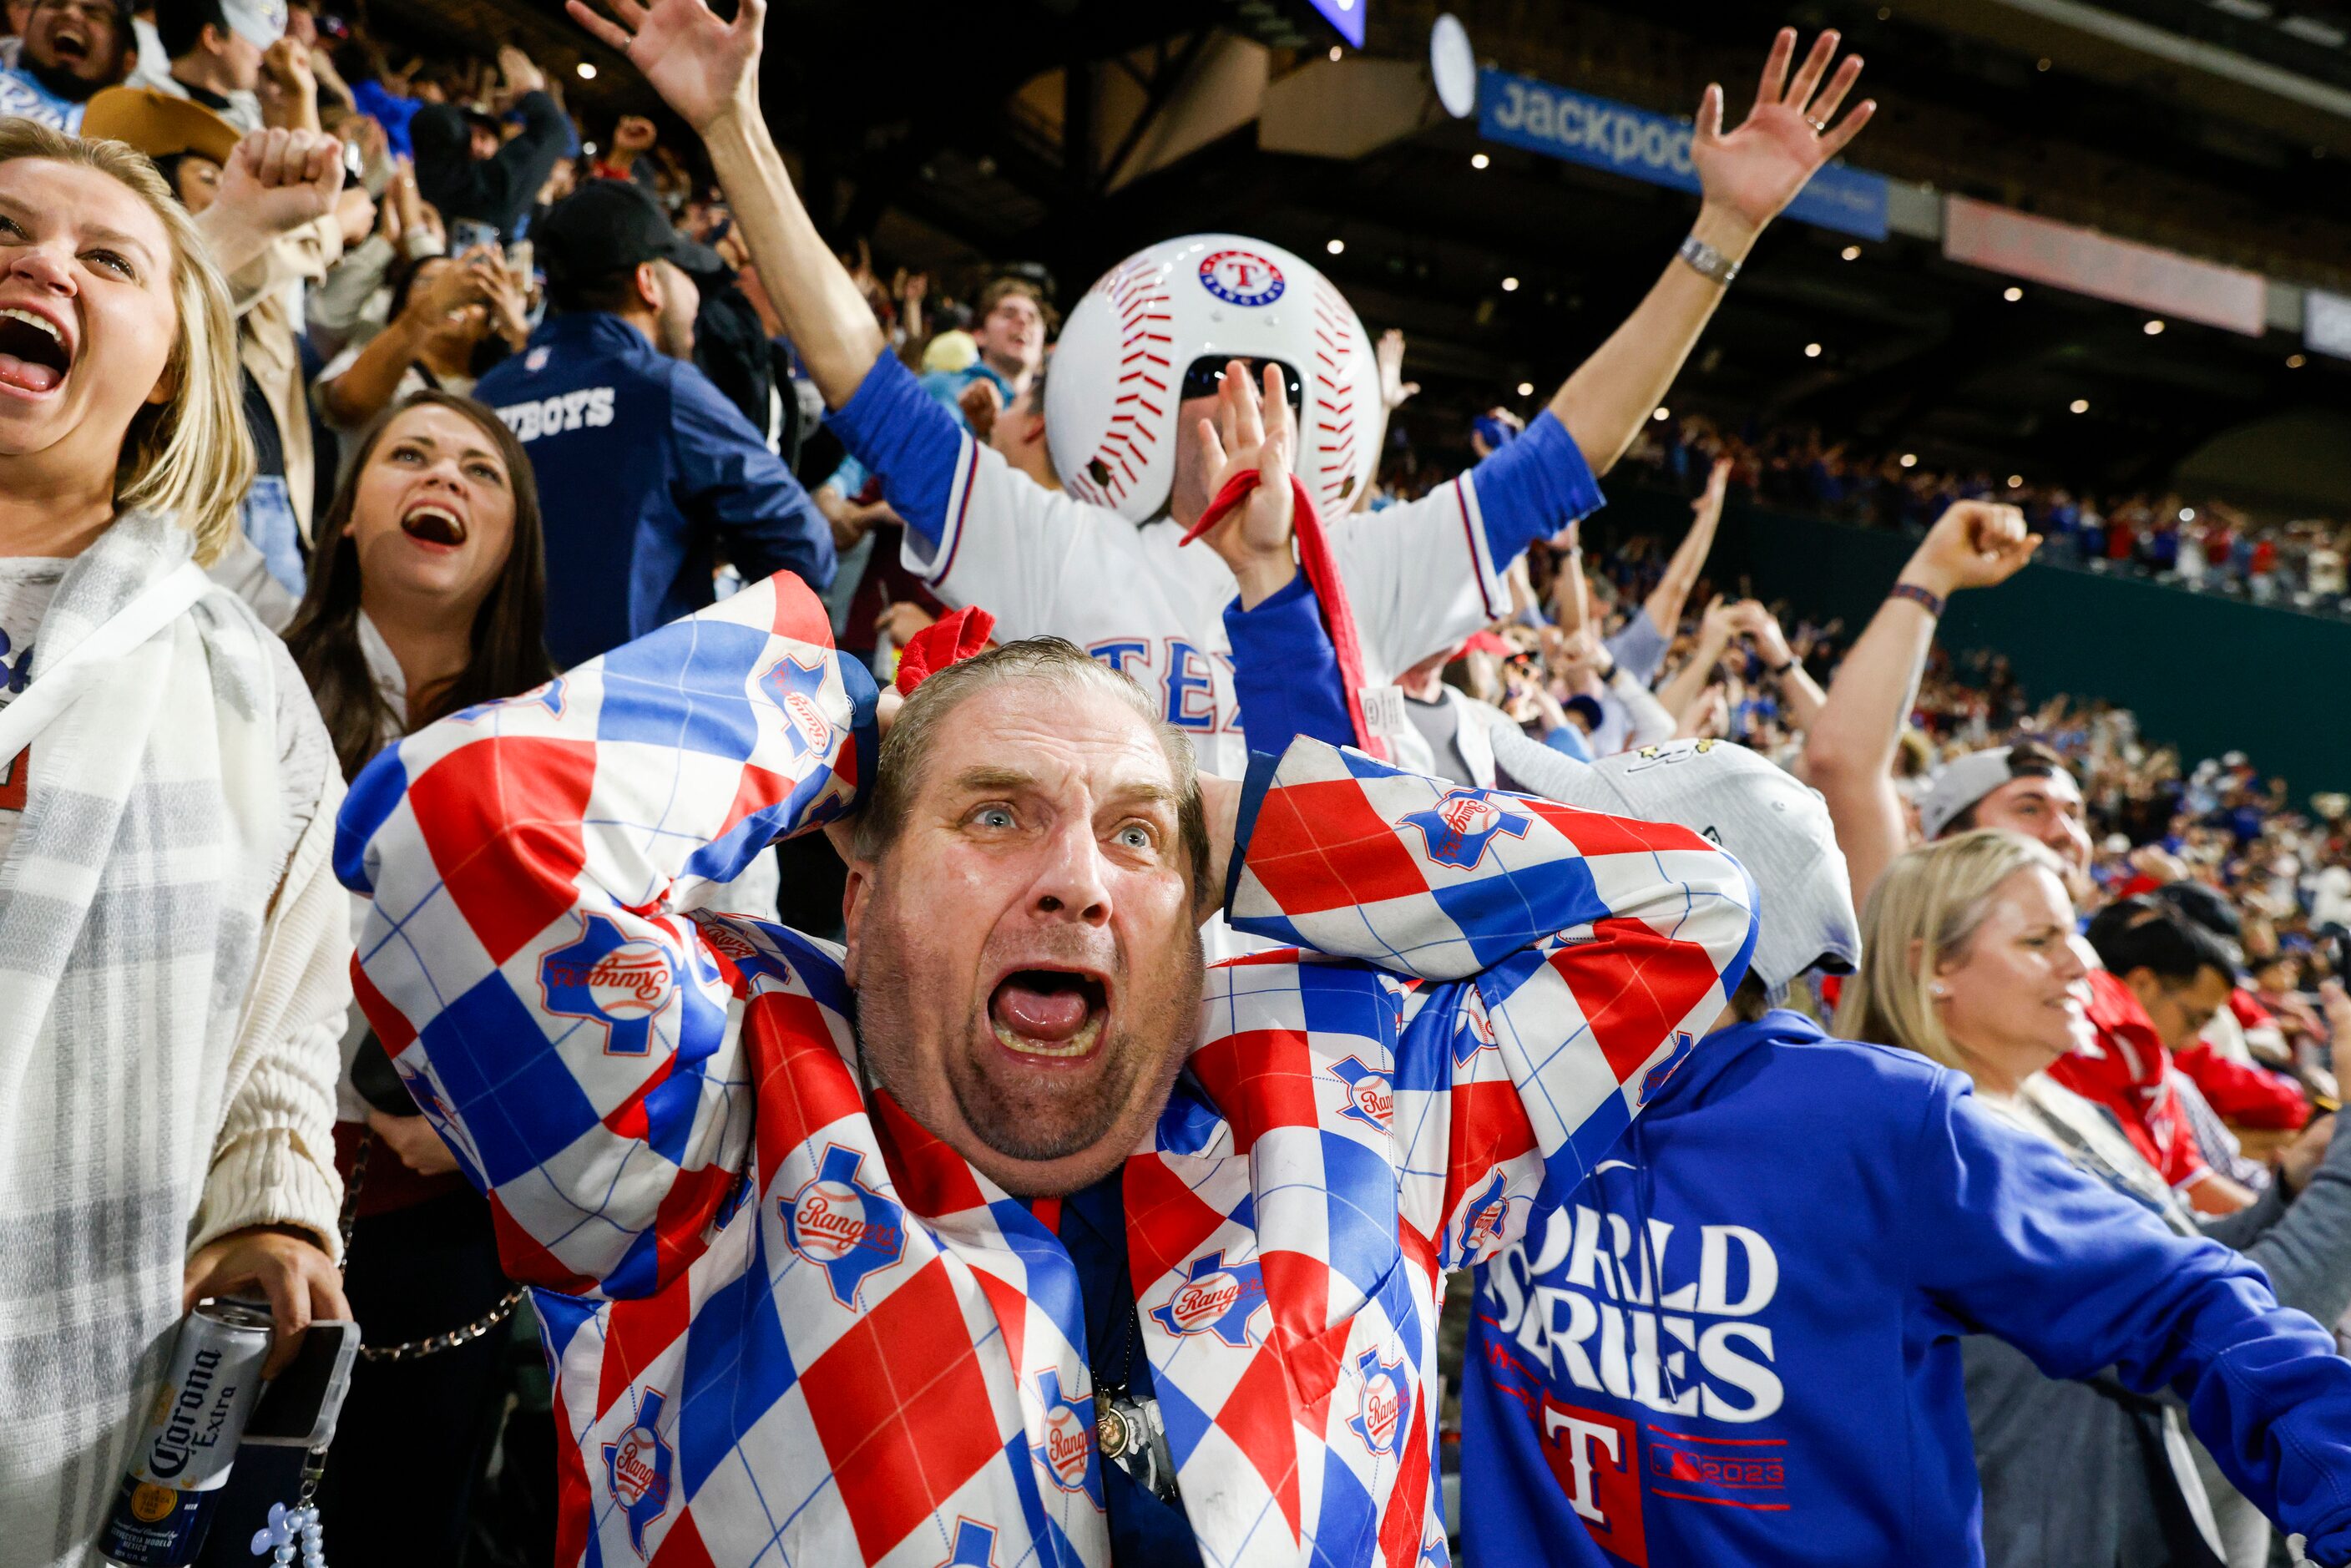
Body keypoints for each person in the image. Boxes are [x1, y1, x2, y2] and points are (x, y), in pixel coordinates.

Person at [336, 295, 1760, 1565]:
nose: (1080, 882)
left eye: (1137, 836)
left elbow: (1691, 910)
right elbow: (451, 828)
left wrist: (1242, 812)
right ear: (868, 877)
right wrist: (845, 727)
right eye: (996, 814)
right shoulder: (716, 1107)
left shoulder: (1358, 1096)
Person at [1206, 486, 2351, 1568]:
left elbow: (2187, 1301)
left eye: (1579, 869)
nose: (1536, 890)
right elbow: (1343, 885)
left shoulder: (1887, 1124)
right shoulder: (1506, 1081)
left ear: (1706, 914)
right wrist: (1269, 594)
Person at [579, 0, 1874, 788]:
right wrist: (733, 130)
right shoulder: (1052, 545)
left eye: (1280, 388)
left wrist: (1721, 237)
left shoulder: (1378, 562)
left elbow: (1569, 448)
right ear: (1130, 420)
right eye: (1210, 385)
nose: (1246, 412)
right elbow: (862, 375)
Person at [0, 118, 352, 1565]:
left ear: (167, 379)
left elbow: (287, 1014)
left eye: (107, 259)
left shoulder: (242, 681)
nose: (39, 265)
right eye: (8, 235)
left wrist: (273, 1204)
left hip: (62, 1408)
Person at [1834, 832, 2351, 1568]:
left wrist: (2289, 1193)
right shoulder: (1948, 1157)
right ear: (1931, 967)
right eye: (2041, 940)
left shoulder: (2050, 1100)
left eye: (2074, 932)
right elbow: (2213, 1332)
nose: (2084, 962)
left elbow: (2181, 1264)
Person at [281, 390, 553, 1567]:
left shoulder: (559, 733)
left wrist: (489, 1115)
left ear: (513, 544)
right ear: (347, 518)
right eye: (408, 455)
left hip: (448, 1222)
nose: (443, 477)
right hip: (230, 1197)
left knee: (404, 1525)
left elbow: (618, 980)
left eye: (481, 472)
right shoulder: (248, 682)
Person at [472, 175, 833, 667]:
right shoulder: (664, 390)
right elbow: (807, 549)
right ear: (649, 283)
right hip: (621, 717)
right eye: (686, 276)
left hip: (481, 714)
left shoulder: (487, 395)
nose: (697, 301)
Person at [1800, 500, 2048, 903]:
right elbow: (1841, 760)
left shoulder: (2092, 956)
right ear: (1950, 837)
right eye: (2029, 809)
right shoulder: (1909, 937)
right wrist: (1931, 577)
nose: (2065, 832)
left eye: (2076, 814)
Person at [315, 244, 525, 435]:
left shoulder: (500, 383)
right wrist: (432, 305)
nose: (456, 297)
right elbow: (345, 407)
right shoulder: (366, 358)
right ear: (400, 306)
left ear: (488, 325)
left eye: (473, 292)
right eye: (432, 283)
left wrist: (515, 327)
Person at [408, 42, 566, 243]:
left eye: (484, 137)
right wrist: (529, 92)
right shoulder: (477, 188)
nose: (475, 144)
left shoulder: (486, 185)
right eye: (467, 134)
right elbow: (552, 131)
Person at [125, 0, 281, 131]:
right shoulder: (139, 107)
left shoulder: (249, 109)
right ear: (212, 38)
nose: (264, 54)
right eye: (254, 39)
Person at [0, 0, 135, 127]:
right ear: (25, 26)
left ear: (128, 59)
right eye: (55, 5)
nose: (71, 14)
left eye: (93, 14)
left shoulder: (131, 130)